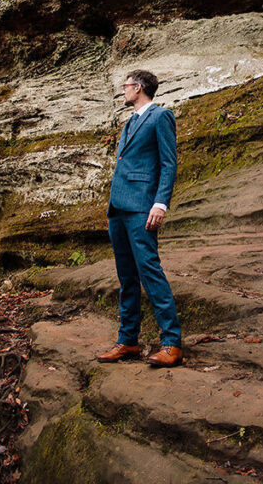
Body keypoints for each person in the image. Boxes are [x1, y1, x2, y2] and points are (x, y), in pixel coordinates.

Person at [96, 70, 184, 368]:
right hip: (118, 208)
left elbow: (168, 163)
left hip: (143, 207)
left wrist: (160, 203)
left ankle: (171, 344)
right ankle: (128, 341)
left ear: (139, 87)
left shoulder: (160, 117)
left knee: (149, 270)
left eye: (127, 86)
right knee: (127, 276)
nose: (124, 90)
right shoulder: (129, 122)